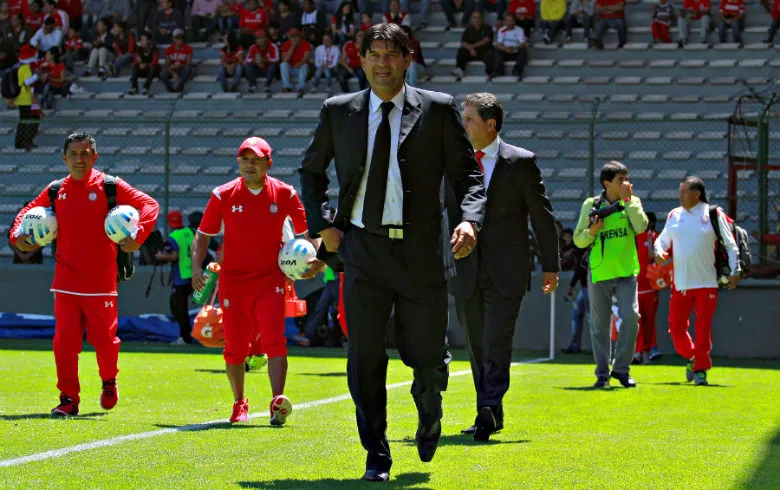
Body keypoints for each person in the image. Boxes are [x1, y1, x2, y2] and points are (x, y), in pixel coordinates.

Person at [299, 23, 486, 482]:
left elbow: (469, 178)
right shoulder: (338, 111)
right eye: (374, 54)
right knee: (364, 357)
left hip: (422, 254)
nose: (383, 63)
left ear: (408, 59)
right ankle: (376, 454)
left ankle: (429, 407)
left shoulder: (439, 110)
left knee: (426, 356)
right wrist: (323, 224)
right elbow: (310, 171)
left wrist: (468, 219)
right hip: (363, 250)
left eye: (392, 54)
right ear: (360, 59)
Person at [9, 132, 159, 416]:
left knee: (104, 341)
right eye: (74, 154)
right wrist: (17, 236)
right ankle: (68, 399)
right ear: (64, 158)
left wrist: (138, 235)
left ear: (94, 157)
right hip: (65, 282)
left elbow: (149, 204)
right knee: (64, 344)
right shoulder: (55, 190)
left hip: (101, 283)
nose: (79, 159)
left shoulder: (109, 185)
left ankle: (109, 381)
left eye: (85, 153)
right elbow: (27, 211)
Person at [445, 93, 559, 442]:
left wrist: (551, 266)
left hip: (507, 269)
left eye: (469, 119)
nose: (462, 125)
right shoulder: (454, 161)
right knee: (477, 343)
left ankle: (489, 405)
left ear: (490, 125)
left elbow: (542, 217)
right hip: (464, 268)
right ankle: (489, 410)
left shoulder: (520, 162)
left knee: (497, 339)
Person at [191, 136, 322, 425]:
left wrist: (316, 255)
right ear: (238, 162)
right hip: (233, 282)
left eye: (256, 159)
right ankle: (239, 403)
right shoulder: (223, 194)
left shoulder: (284, 193)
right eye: (245, 159)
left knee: (275, 340)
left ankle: (278, 401)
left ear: (268, 163)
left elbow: (308, 229)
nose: (250, 164)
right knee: (235, 347)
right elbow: (203, 235)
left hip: (271, 280)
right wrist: (197, 269)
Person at [653, 177, 739, 386]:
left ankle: (701, 370)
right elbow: (661, 240)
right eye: (679, 191)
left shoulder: (712, 214)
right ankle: (694, 358)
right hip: (680, 283)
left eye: (684, 191)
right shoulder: (674, 215)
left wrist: (736, 270)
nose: (680, 195)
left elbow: (730, 245)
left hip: (706, 283)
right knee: (676, 329)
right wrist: (658, 251)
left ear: (697, 194)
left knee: (703, 329)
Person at [573, 161, 648, 388]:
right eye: (620, 180)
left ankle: (622, 370)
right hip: (599, 272)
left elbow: (641, 226)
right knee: (599, 326)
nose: (626, 183)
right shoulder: (591, 204)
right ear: (607, 183)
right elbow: (578, 240)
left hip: (626, 271)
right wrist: (592, 231)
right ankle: (602, 374)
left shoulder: (632, 202)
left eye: (627, 178)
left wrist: (627, 202)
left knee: (631, 317)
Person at [155, 210, 197, 345]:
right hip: (193, 274)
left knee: (178, 308)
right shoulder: (190, 233)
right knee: (182, 306)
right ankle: (189, 334)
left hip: (181, 276)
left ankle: (185, 337)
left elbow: (173, 256)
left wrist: (159, 256)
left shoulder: (174, 236)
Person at [633, 211, 661, 363]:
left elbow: (666, 255)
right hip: (634, 285)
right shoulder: (632, 237)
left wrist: (656, 256)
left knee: (649, 320)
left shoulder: (655, 237)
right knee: (637, 320)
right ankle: (638, 351)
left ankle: (650, 349)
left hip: (650, 286)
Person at [12, 44, 41, 151]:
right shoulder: (25, 68)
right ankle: (23, 143)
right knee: (27, 122)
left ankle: (21, 143)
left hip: (23, 99)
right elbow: (27, 82)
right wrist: (37, 75)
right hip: (25, 99)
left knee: (24, 122)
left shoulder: (20, 67)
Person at [451, 11, 494, 80]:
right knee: (462, 50)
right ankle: (460, 70)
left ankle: (490, 73)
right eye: (474, 18)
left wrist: (472, 47)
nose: (476, 20)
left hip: (483, 51)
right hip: (471, 52)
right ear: (471, 19)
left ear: (482, 19)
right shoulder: (468, 29)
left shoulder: (487, 27)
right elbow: (463, 42)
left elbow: (486, 40)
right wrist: (470, 49)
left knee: (490, 53)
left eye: (478, 18)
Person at [493, 12, 527, 80]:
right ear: (505, 21)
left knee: (524, 50)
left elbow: (523, 44)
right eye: (507, 21)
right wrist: (505, 48)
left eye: (511, 20)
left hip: (515, 52)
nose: (509, 22)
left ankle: (516, 71)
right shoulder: (502, 30)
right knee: (496, 49)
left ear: (514, 21)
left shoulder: (519, 30)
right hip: (505, 52)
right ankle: (499, 71)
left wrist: (513, 48)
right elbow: (499, 44)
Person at [244, 29, 278, 94]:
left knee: (273, 66)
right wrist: (255, 61)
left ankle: (267, 86)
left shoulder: (272, 46)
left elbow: (276, 59)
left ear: (265, 38)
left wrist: (265, 60)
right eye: (258, 38)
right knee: (248, 66)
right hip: (258, 70)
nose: (260, 40)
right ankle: (253, 86)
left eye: (262, 38)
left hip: (268, 70)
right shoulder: (253, 47)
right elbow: (247, 59)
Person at [279, 28, 311, 97]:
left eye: (296, 36)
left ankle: (300, 87)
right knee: (283, 64)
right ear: (289, 37)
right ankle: (287, 87)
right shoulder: (285, 45)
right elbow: (285, 60)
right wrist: (293, 46)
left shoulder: (305, 44)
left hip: (301, 69)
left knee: (304, 65)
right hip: (291, 69)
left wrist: (299, 64)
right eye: (292, 37)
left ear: (299, 37)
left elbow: (306, 58)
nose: (294, 38)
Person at [161, 28, 191, 93]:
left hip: (182, 68)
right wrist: (172, 72)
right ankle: (171, 90)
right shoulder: (169, 49)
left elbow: (188, 64)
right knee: (163, 74)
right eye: (178, 38)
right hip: (173, 69)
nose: (180, 39)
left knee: (187, 70)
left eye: (182, 37)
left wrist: (180, 66)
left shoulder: (188, 49)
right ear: (173, 39)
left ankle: (178, 89)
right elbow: (167, 64)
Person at [337, 28, 367, 92]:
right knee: (341, 78)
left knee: (362, 77)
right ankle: (347, 95)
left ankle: (363, 95)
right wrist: (348, 68)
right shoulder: (349, 45)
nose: (361, 37)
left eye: (363, 35)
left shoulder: (367, 46)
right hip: (350, 66)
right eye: (360, 35)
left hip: (361, 67)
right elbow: (343, 60)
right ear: (355, 36)